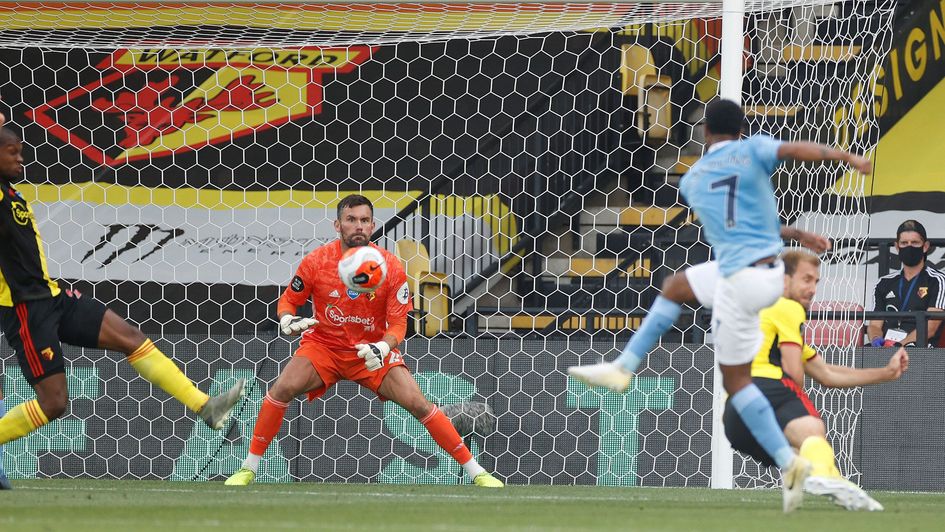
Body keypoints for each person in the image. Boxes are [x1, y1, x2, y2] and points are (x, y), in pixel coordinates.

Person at [568, 99, 872, 512]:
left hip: (740, 279)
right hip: (762, 274)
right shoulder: (753, 150)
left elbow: (730, 220)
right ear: (742, 129)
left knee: (736, 384)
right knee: (675, 286)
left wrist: (793, 233)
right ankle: (623, 368)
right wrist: (845, 156)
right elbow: (795, 150)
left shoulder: (691, 180)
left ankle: (789, 463)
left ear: (705, 131)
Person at [0, 128, 246, 484]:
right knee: (54, 404)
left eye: (20, 150)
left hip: (51, 297)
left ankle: (205, 407)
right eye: (12, 151)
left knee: (130, 337)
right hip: (25, 310)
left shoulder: (11, 193)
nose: (21, 157)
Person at [224, 194, 503, 487]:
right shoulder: (317, 261)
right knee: (281, 389)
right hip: (324, 347)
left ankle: (477, 473)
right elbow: (289, 301)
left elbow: (398, 324)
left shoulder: (390, 266)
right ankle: (247, 468)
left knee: (419, 404)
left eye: (364, 220)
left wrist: (382, 347)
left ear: (372, 226)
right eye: (351, 219)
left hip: (372, 351)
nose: (358, 226)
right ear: (338, 224)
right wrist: (286, 320)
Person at [724, 250, 905, 511]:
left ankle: (821, 484)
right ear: (784, 279)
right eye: (806, 279)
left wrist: (885, 373)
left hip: (735, 415)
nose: (812, 289)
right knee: (813, 430)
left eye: (816, 282)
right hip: (766, 386)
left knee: (805, 447)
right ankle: (825, 478)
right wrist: (797, 402)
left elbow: (826, 373)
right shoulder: (787, 306)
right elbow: (794, 371)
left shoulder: (763, 311)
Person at [867, 220, 945, 348]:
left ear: (925, 246)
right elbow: (874, 325)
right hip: (885, 349)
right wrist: (876, 339)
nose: (909, 247)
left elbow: (930, 328)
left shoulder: (938, 280)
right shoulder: (883, 282)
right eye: (904, 243)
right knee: (861, 357)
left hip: (921, 350)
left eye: (914, 243)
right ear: (897, 247)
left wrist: (899, 345)